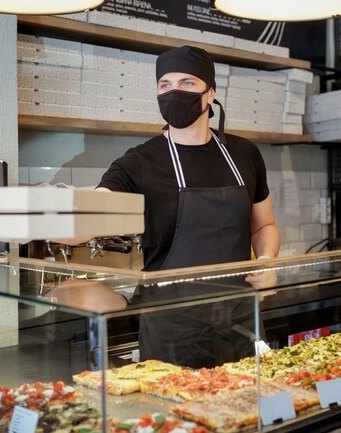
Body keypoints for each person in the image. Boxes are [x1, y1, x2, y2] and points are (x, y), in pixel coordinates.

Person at [95, 45, 280, 367]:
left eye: (186, 83)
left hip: (237, 316)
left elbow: (263, 225)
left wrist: (266, 261)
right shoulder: (139, 162)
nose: (173, 92)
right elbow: (94, 207)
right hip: (171, 325)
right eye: (164, 85)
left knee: (248, 407)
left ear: (210, 94)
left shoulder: (244, 153)